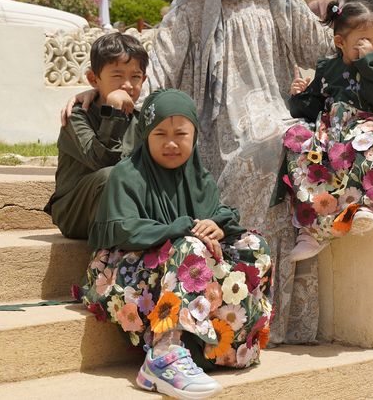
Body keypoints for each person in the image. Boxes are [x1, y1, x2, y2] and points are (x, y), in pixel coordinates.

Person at [63, 0, 373, 346]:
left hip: (271, 117)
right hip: (208, 133)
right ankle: (221, 325)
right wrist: (109, 95)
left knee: (283, 144)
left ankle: (266, 323)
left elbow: (325, 45)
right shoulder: (187, 7)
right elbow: (159, 71)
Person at [78, 89, 272, 399]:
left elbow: (210, 228)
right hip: (124, 277)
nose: (171, 142)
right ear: (145, 135)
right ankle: (163, 355)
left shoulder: (200, 179)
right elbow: (122, 230)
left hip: (180, 277)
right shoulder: (126, 175)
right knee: (187, 247)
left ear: (194, 135)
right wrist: (179, 230)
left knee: (254, 245)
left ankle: (222, 343)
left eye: (181, 133)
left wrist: (215, 227)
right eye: (160, 134)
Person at [282, 0, 373, 261]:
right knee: (297, 142)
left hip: (370, 130)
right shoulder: (326, 68)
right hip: (332, 132)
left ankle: (363, 208)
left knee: (362, 145)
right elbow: (313, 106)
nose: (372, 47)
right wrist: (298, 97)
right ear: (340, 42)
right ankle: (313, 229)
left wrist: (368, 63)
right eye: (363, 41)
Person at [44, 32, 147, 239]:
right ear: (93, 79)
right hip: (77, 211)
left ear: (143, 79)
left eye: (135, 77)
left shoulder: (142, 120)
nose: (127, 84)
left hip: (126, 209)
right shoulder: (77, 117)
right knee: (111, 175)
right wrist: (114, 112)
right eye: (117, 75)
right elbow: (102, 161)